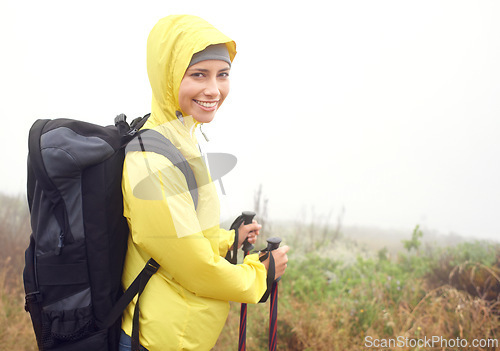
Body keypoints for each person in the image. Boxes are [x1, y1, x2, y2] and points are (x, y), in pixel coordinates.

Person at [119, 15, 289, 351]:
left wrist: (229, 239)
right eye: (199, 74)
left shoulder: (180, 136)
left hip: (178, 333)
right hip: (160, 339)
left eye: (222, 75)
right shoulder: (152, 160)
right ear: (168, 77)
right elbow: (195, 267)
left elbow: (186, 237)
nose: (214, 89)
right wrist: (260, 276)